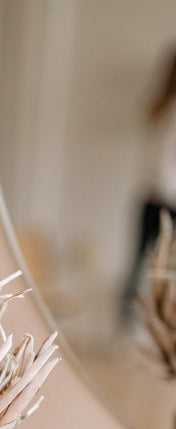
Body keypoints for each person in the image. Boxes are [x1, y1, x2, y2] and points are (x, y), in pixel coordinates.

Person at [121, 48, 176, 323]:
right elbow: (163, 161)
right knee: (161, 271)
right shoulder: (172, 109)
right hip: (166, 201)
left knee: (141, 264)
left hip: (151, 198)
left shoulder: (162, 106)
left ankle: (127, 324)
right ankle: (144, 327)